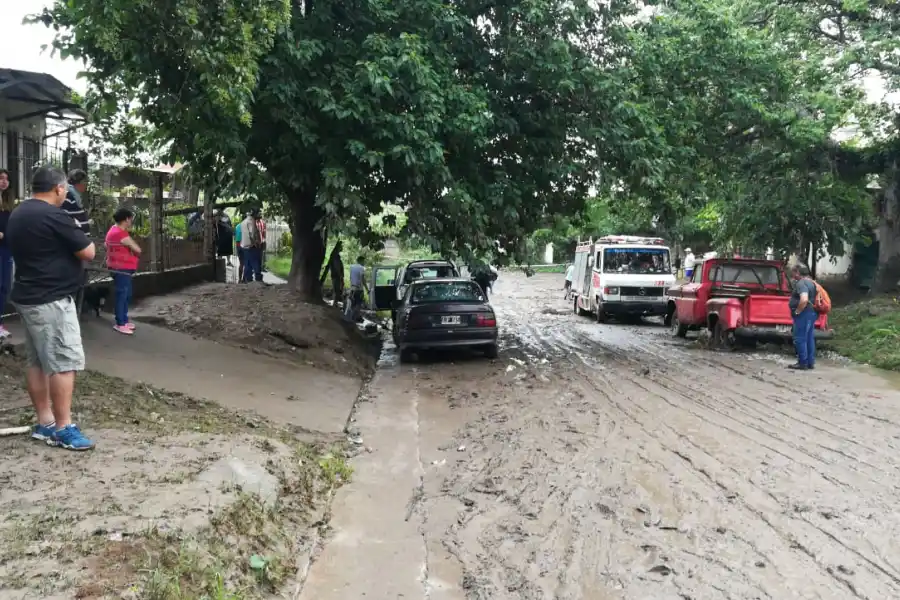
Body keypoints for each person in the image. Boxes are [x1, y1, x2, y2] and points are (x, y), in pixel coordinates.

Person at [7, 165, 96, 451]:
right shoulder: (54, 215)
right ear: (59, 189)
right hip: (51, 299)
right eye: (65, 191)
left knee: (37, 362)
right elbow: (88, 251)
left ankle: (45, 422)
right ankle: (63, 428)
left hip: (27, 294)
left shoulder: (19, 213)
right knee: (63, 361)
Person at [105, 207, 142, 335]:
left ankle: (124, 320)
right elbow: (137, 249)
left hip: (120, 267)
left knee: (126, 294)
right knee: (122, 295)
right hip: (121, 268)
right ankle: (120, 323)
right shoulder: (120, 234)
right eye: (131, 219)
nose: (131, 221)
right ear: (126, 219)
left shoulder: (113, 230)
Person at [789, 263, 818, 371]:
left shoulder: (801, 283)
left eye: (793, 272)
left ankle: (802, 363)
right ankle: (810, 362)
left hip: (803, 314)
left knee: (800, 338)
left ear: (798, 272)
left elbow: (804, 299)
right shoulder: (812, 282)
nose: (792, 275)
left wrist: (797, 311)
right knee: (809, 338)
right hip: (811, 313)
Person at [0, 169, 14, 339]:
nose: (4, 181)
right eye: (0, 178)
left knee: (3, 287)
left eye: (6, 179)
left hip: (6, 248)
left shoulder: (8, 202)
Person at [64, 170, 91, 235]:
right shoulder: (67, 196)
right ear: (80, 182)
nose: (87, 184)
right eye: (86, 181)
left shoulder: (75, 196)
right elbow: (64, 219)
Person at [240, 211, 263, 282]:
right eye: (258, 213)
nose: (259, 215)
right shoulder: (251, 221)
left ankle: (248, 280)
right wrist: (256, 243)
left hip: (244, 246)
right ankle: (258, 279)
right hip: (252, 246)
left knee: (247, 264)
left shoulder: (243, 222)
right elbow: (252, 234)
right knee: (256, 262)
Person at [347, 256, 366, 322]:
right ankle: (354, 318)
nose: (364, 263)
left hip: (352, 288)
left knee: (352, 303)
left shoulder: (352, 267)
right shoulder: (362, 268)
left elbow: (351, 277)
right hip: (359, 289)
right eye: (364, 261)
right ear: (361, 261)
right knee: (358, 304)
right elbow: (363, 279)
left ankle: (351, 318)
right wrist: (367, 289)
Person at [234, 217, 244, 281]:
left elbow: (235, 237)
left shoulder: (237, 226)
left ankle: (240, 279)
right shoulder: (247, 226)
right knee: (247, 263)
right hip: (244, 245)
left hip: (238, 245)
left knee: (241, 263)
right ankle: (245, 279)